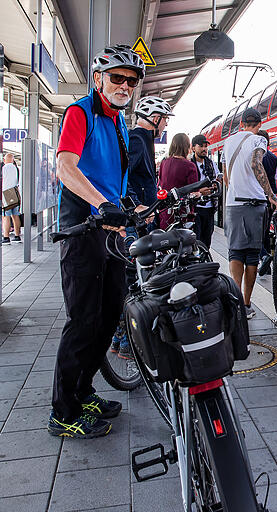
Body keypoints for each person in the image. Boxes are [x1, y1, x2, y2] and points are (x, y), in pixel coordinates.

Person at [50, 44, 146, 439]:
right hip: (82, 232)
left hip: (109, 235)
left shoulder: (120, 122)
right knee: (83, 321)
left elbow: (113, 179)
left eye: (132, 80)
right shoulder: (81, 112)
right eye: (117, 77)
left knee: (108, 317)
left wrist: (126, 208)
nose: (125, 85)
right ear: (98, 79)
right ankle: (63, 411)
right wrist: (103, 205)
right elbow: (65, 167)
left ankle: (85, 390)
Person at [111, 96, 173, 358]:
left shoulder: (142, 141)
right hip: (135, 222)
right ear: (155, 118)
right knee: (136, 280)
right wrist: (136, 206)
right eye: (165, 119)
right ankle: (128, 342)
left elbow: (140, 179)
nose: (166, 124)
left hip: (141, 219)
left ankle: (118, 337)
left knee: (134, 277)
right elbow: (124, 178)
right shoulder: (138, 139)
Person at [221, 108, 277, 318]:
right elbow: (256, 164)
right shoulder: (258, 141)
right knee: (252, 256)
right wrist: (270, 194)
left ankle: (235, 303)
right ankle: (246, 305)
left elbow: (226, 178)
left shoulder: (228, 142)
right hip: (255, 204)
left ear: (242, 123)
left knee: (235, 252)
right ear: (259, 124)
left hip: (233, 204)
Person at [158, 133, 200, 229]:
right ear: (186, 146)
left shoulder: (164, 163)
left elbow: (160, 183)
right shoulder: (189, 166)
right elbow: (194, 191)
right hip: (182, 213)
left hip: (165, 212)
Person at [190, 134, 221, 248]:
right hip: (195, 208)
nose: (204, 149)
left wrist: (214, 187)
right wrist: (200, 191)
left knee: (207, 240)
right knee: (196, 239)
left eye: (205, 147)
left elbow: (218, 179)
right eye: (201, 146)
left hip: (210, 207)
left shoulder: (211, 164)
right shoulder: (190, 164)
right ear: (193, 148)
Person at [257, 129, 277, 275]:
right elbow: (274, 178)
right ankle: (267, 267)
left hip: (257, 198)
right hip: (269, 199)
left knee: (256, 232)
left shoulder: (256, 158)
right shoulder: (274, 158)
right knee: (265, 231)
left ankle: (263, 256)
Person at [2, 153, 22, 243]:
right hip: (15, 192)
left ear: (4, 160)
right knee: (15, 215)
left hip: (6, 193)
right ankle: (17, 236)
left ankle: (6, 237)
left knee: (6, 216)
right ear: (13, 160)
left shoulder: (4, 168)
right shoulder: (17, 168)